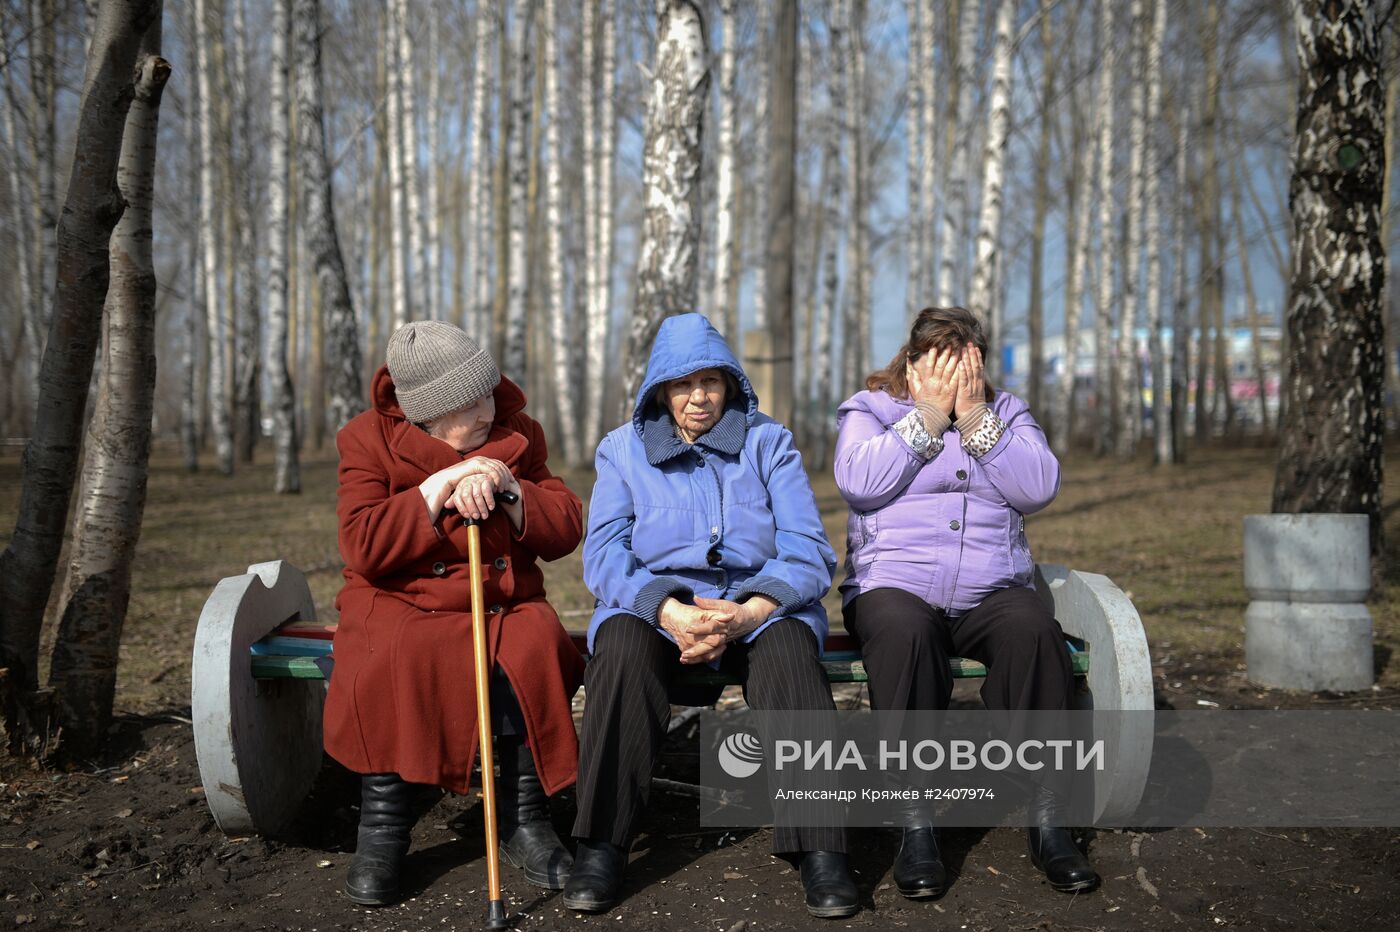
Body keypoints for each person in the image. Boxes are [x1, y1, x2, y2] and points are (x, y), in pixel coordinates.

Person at [565, 313, 858, 918]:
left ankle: (823, 847)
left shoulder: (768, 442)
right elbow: (604, 554)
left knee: (791, 658)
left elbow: (809, 549)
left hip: (758, 602)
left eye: (711, 382)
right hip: (656, 605)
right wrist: (668, 610)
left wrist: (750, 613)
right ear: (660, 391)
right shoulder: (622, 450)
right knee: (617, 649)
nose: (698, 397)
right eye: (682, 384)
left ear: (730, 385)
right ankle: (602, 845)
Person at [833, 306, 1099, 898]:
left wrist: (977, 419)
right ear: (913, 360)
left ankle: (1051, 817)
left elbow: (1037, 488)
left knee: (1034, 633)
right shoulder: (871, 409)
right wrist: (927, 416)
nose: (952, 373)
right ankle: (915, 820)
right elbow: (859, 482)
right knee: (905, 636)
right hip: (893, 585)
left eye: (965, 360)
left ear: (980, 364)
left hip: (992, 588)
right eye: (939, 359)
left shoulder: (1007, 413)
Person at [325, 321, 586, 906]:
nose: (486, 410)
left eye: (487, 392)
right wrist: (440, 485)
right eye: (466, 403)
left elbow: (567, 527)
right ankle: (384, 831)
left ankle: (526, 819)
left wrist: (509, 487)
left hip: (502, 602)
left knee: (533, 644)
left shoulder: (521, 433)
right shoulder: (365, 440)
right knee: (388, 656)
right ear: (427, 413)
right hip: (401, 599)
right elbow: (362, 545)